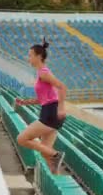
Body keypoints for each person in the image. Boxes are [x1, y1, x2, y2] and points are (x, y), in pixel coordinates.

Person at [16, 39, 67, 173]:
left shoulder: (43, 73)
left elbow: (62, 87)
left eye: (30, 55)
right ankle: (55, 175)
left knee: (22, 139)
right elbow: (43, 98)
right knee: (46, 154)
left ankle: (57, 155)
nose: (29, 59)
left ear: (38, 56)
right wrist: (25, 102)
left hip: (51, 113)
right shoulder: (41, 72)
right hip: (49, 110)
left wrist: (61, 108)